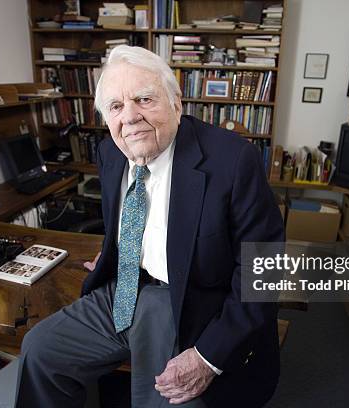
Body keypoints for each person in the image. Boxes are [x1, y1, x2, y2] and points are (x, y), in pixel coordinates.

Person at [16, 45, 284, 408]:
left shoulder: (233, 160)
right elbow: (133, 220)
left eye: (144, 99)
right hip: (125, 289)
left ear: (176, 103)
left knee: (163, 396)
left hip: (194, 303)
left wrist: (206, 356)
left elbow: (263, 273)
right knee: (40, 350)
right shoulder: (112, 152)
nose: (129, 117)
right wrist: (121, 254)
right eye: (115, 106)